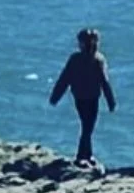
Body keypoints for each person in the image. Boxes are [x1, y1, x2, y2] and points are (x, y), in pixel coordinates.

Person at [49, 28, 116, 164]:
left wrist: (55, 96)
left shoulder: (78, 59)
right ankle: (82, 155)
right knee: (88, 126)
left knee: (87, 125)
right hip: (89, 97)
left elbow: (64, 78)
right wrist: (111, 101)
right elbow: (104, 82)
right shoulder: (97, 59)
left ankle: (87, 154)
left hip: (81, 97)